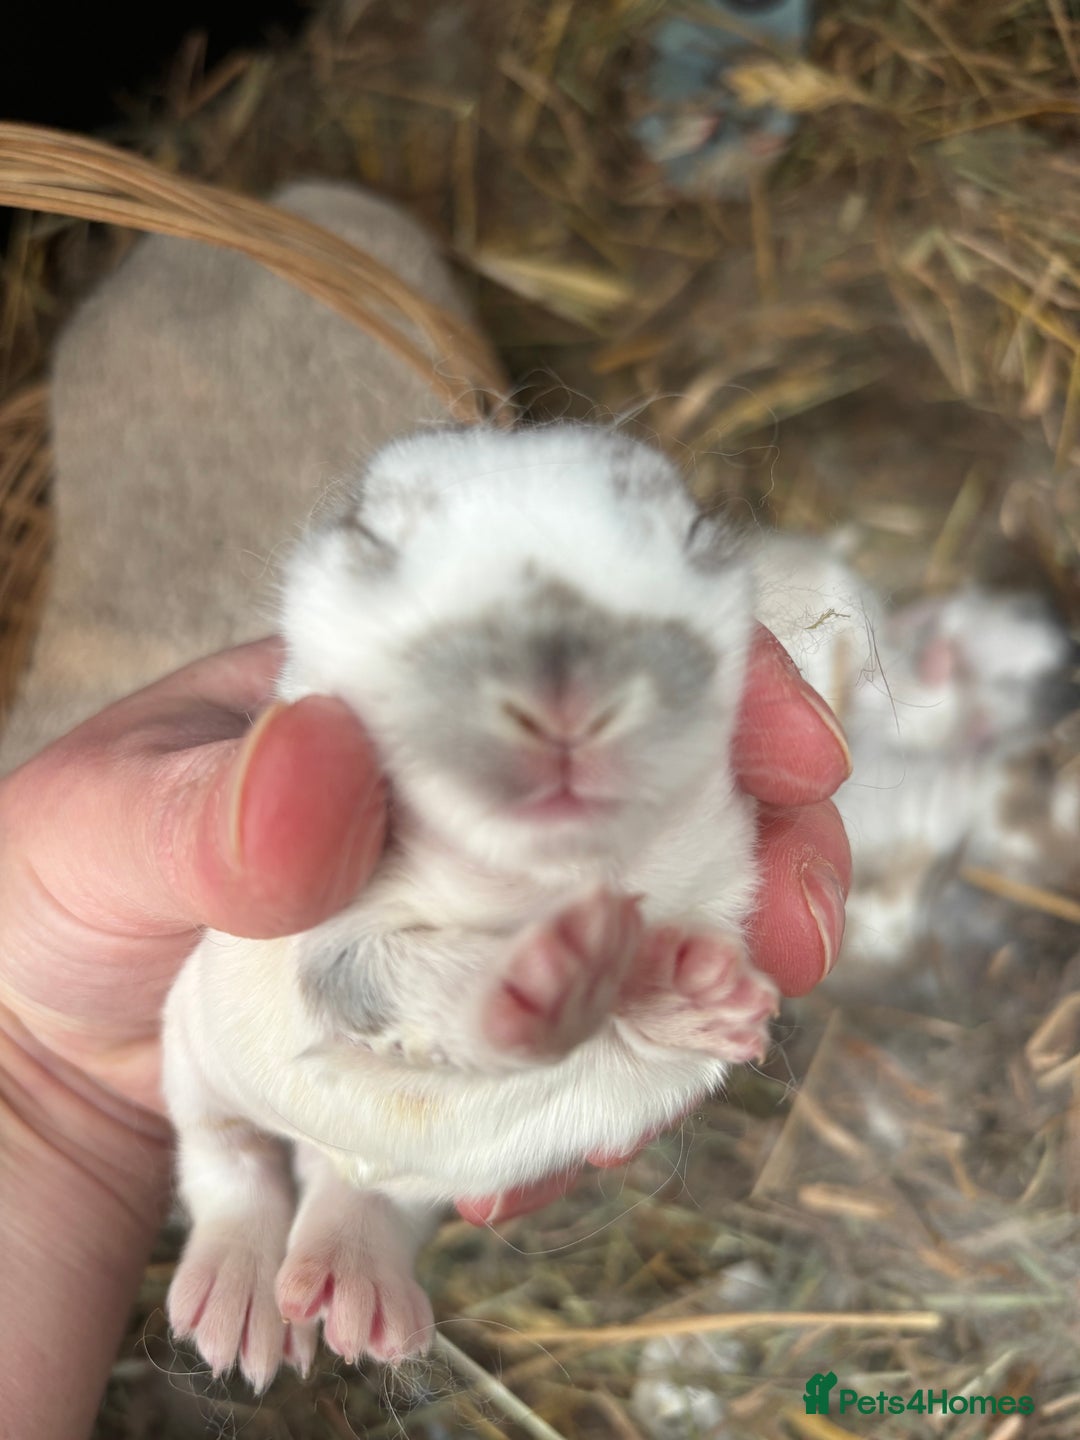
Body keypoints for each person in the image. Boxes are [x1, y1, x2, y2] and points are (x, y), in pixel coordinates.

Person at [0, 624, 851, 1439]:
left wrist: (662, 1014)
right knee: (329, 1082)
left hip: (408, 1101)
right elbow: (358, 980)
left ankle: (364, 1208)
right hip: (248, 1054)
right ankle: (243, 1188)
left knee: (477, 1128)